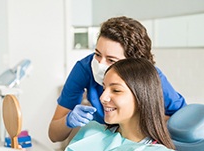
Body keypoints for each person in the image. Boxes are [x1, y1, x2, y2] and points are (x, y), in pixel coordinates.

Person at [49, 16, 186, 142]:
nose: (100, 64)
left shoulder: (151, 78)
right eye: (97, 54)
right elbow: (54, 135)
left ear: (134, 66)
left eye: (111, 60)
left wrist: (145, 120)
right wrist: (68, 120)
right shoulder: (85, 68)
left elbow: (183, 123)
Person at [53, 58, 179, 151]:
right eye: (104, 88)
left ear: (142, 97)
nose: (102, 98)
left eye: (116, 90)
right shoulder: (92, 134)